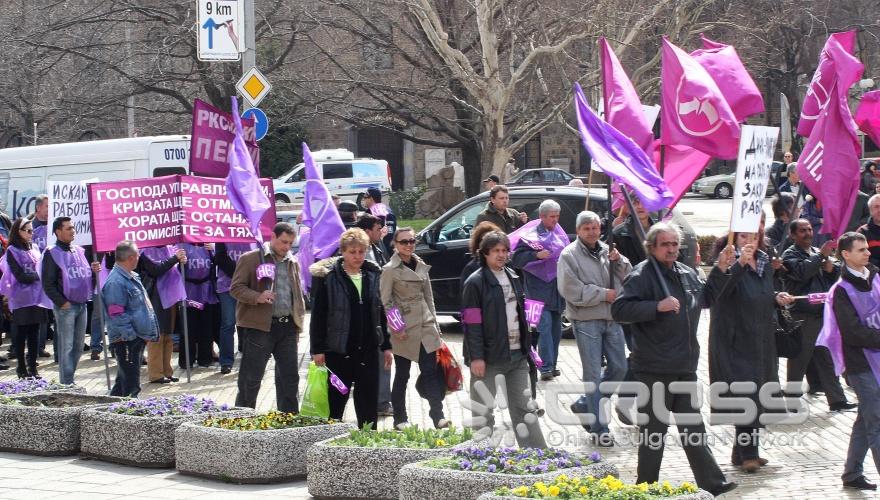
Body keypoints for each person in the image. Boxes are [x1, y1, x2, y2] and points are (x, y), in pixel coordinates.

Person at [611, 223, 737, 496]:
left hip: (685, 365)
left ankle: (712, 483)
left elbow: (706, 298)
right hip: (654, 367)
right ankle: (645, 488)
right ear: (652, 247)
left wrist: (721, 269)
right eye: (665, 244)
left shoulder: (686, 272)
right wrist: (656, 306)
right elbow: (619, 309)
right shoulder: (642, 275)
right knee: (653, 435)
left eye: (674, 244)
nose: (671, 249)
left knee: (694, 430)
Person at [708, 230, 795, 472]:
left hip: (762, 339)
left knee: (758, 394)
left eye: (753, 237)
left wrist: (777, 297)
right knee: (746, 396)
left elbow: (762, 294)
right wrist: (738, 265)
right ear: (734, 239)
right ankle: (749, 454)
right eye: (743, 237)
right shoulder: (728, 263)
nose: (748, 242)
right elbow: (718, 294)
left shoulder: (765, 263)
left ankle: (741, 452)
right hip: (736, 339)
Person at [461, 230, 547, 448]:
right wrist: (476, 357)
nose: (501, 255)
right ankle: (481, 459)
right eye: (495, 251)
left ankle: (537, 457)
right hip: (488, 358)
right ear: (485, 254)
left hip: (517, 356)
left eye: (504, 250)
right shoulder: (475, 282)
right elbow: (471, 324)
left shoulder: (514, 276)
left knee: (525, 408)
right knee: (483, 410)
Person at [558, 211, 631, 446]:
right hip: (586, 320)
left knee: (619, 367)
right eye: (586, 228)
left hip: (612, 318)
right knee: (592, 374)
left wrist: (618, 261)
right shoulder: (568, 256)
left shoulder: (608, 250)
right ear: (578, 230)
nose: (592, 232)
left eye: (595, 228)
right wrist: (602, 295)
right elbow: (570, 290)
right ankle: (599, 427)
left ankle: (583, 403)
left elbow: (628, 276)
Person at [310, 228, 393, 429]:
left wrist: (387, 345)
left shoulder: (373, 274)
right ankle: (330, 440)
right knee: (337, 400)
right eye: (352, 252)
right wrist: (317, 349)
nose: (357, 256)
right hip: (339, 350)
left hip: (368, 349)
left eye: (361, 252)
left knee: (367, 402)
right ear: (343, 252)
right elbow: (318, 315)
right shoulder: (328, 277)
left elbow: (381, 311)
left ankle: (367, 443)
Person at [819, 232, 880, 491]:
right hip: (860, 364)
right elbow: (852, 332)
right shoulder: (840, 291)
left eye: (867, 249)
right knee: (877, 420)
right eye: (861, 250)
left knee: (866, 419)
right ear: (845, 254)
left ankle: (852, 473)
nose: (868, 253)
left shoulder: (876, 277)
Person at [781, 219, 856, 411]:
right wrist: (821, 257)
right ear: (793, 235)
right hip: (803, 315)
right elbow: (801, 273)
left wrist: (832, 269)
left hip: (823, 314)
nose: (807, 233)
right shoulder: (789, 255)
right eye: (802, 231)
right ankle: (792, 398)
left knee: (827, 357)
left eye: (809, 229)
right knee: (799, 359)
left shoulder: (815, 252)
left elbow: (834, 275)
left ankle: (837, 400)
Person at [231, 223, 306, 413]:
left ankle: (288, 421)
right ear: (272, 236)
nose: (286, 247)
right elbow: (236, 288)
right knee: (251, 379)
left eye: (290, 243)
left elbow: (296, 295)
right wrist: (257, 297)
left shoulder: (293, 262)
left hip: (287, 327)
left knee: (289, 379)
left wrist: (298, 324)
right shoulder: (251, 258)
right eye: (283, 242)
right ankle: (242, 420)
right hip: (259, 328)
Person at [381, 227, 448, 429]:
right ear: (395, 244)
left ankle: (438, 416)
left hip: (425, 325)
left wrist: (436, 326)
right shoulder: (390, 269)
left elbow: (429, 298)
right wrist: (397, 326)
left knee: (430, 372)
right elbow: (386, 301)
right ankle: (400, 418)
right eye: (404, 242)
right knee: (403, 374)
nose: (409, 245)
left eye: (412, 241)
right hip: (404, 329)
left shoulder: (420, 265)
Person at [511, 200, 568, 381]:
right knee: (543, 327)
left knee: (555, 330)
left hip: (556, 291)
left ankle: (552, 364)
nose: (555, 220)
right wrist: (536, 255)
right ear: (542, 217)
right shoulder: (530, 235)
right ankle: (545, 366)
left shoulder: (560, 233)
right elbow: (516, 259)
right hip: (536, 291)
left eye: (557, 216)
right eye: (552, 216)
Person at [41, 217, 100, 385]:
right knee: (66, 347)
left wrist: (94, 271)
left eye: (73, 227)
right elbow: (48, 283)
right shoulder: (51, 253)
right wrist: (62, 303)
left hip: (82, 304)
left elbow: (86, 277)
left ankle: (69, 379)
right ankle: (66, 383)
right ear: (58, 231)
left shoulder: (79, 251)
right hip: (66, 307)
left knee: (78, 346)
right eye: (68, 228)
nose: (73, 231)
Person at [102, 240, 159, 397]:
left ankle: (107, 413)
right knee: (131, 387)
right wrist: (131, 337)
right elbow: (116, 313)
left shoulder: (131, 276)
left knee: (122, 384)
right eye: (138, 254)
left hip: (134, 338)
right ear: (131, 257)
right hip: (127, 340)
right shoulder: (116, 282)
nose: (140, 257)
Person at [1, 218, 49, 376]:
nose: (31, 233)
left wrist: (39, 275)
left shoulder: (34, 247)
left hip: (37, 297)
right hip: (21, 298)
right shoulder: (12, 250)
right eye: (27, 230)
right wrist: (40, 276)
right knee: (21, 333)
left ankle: (33, 367)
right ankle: (21, 367)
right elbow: (20, 275)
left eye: (31, 230)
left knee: (35, 332)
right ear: (18, 231)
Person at [357, 213, 392, 416]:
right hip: (363, 316)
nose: (381, 233)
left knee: (384, 356)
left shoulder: (379, 249)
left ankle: (382, 402)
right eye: (378, 229)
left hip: (381, 311)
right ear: (367, 231)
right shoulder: (359, 254)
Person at [139, 245, 187, 384]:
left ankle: (167, 371)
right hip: (155, 295)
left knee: (168, 336)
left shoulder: (171, 248)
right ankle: (155, 374)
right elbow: (155, 270)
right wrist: (174, 259)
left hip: (171, 296)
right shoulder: (145, 251)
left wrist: (183, 261)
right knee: (157, 336)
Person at [214, 242, 258, 373]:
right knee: (228, 324)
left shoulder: (253, 229)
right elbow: (220, 257)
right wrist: (240, 274)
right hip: (227, 286)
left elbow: (259, 255)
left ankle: (251, 359)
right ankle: (226, 362)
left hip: (248, 287)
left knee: (250, 323)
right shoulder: (221, 231)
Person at [179, 243, 218, 369]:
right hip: (189, 290)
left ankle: (205, 358)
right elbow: (176, 268)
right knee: (188, 327)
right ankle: (186, 360)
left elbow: (217, 264)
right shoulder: (182, 245)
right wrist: (179, 261)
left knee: (206, 325)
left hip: (206, 289)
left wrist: (214, 250)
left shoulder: (209, 245)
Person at [611, 194, 654, 266]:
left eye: (643, 202)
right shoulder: (618, 234)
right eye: (636, 202)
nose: (640, 206)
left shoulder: (660, 231)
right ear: (629, 206)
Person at [460, 221, 502, 288]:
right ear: (478, 245)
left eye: (492, 241)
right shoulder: (471, 269)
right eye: (484, 241)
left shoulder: (507, 266)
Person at [361, 187, 396, 252]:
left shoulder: (370, 213)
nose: (363, 199)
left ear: (371, 199)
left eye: (365, 197)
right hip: (392, 249)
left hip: (378, 250)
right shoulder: (388, 210)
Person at [858, 194, 880, 268]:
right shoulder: (862, 232)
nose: (879, 210)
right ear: (870, 211)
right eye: (876, 207)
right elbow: (860, 260)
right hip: (874, 277)